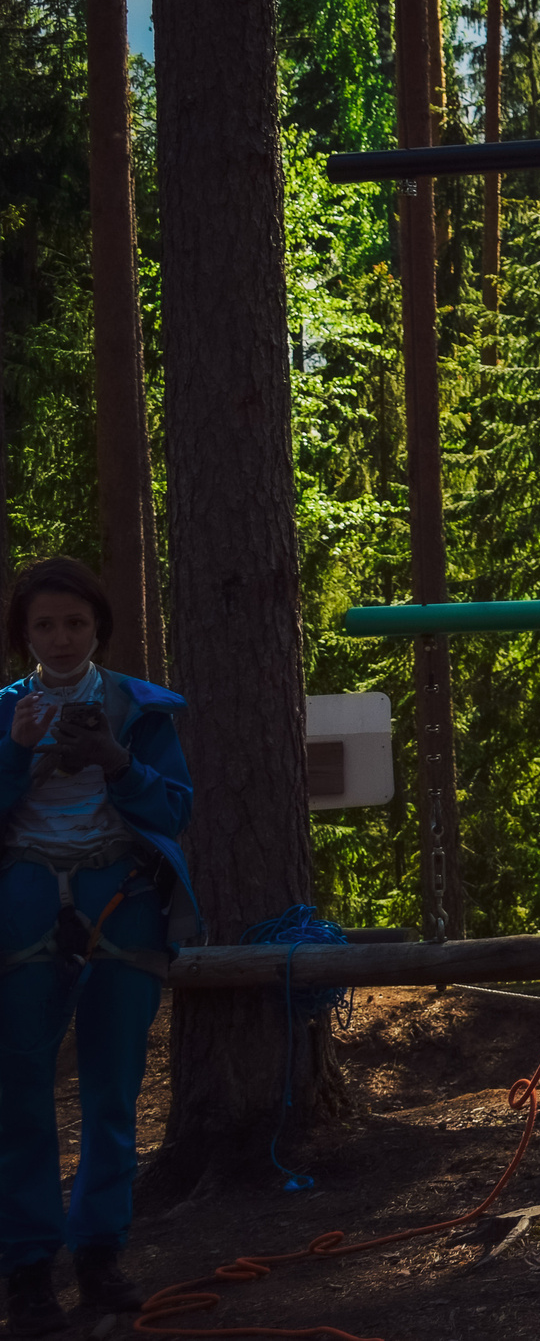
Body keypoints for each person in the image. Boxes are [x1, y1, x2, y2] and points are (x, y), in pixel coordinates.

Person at [0, 558, 196, 1336]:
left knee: (114, 1089)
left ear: (98, 629)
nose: (60, 638)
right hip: (21, 905)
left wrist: (119, 758)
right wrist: (15, 751)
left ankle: (100, 1254)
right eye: (44, 624)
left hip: (122, 901)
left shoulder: (139, 709)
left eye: (74, 623)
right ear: (23, 634)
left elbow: (175, 807)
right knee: (19, 1093)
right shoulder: (5, 710)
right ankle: (27, 1269)